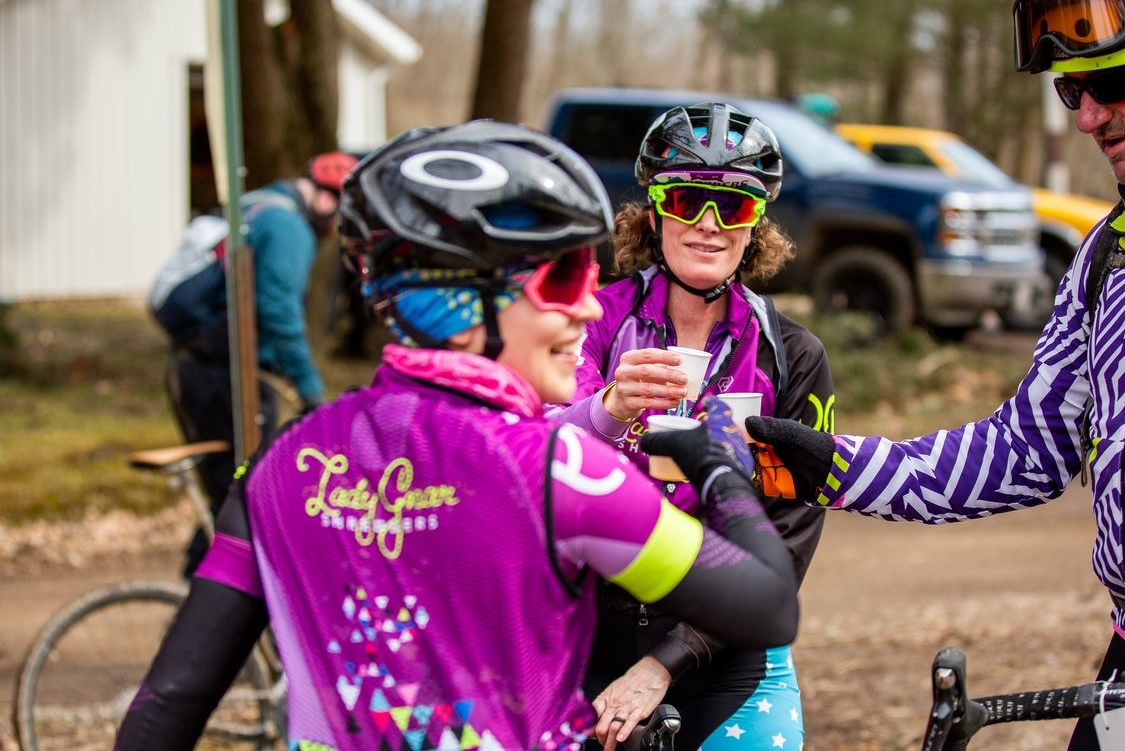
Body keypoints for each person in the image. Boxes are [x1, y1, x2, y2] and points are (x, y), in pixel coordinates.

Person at [744, 0, 1125, 749]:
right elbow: (1027, 447)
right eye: (1073, 90)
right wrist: (841, 468)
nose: (1088, 116)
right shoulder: (1114, 249)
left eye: (1118, 82)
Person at [115, 121, 800, 751]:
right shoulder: (560, 472)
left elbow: (167, 705)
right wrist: (715, 467)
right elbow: (768, 606)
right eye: (562, 278)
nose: (590, 304)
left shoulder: (282, 462)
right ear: (460, 304)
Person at [553, 103, 834, 749]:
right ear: (654, 213)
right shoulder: (589, 320)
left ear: (755, 223)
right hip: (586, 631)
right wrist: (607, 410)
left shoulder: (791, 354)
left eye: (731, 208)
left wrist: (664, 663)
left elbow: (788, 536)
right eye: (685, 200)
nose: (707, 225)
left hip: (726, 643)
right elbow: (530, 455)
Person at [153, 150, 358, 576]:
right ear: (327, 200)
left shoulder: (259, 203)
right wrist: (309, 388)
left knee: (233, 483)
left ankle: (198, 588)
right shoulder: (288, 228)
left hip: (196, 368)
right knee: (250, 485)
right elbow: (279, 311)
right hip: (225, 377)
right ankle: (206, 594)